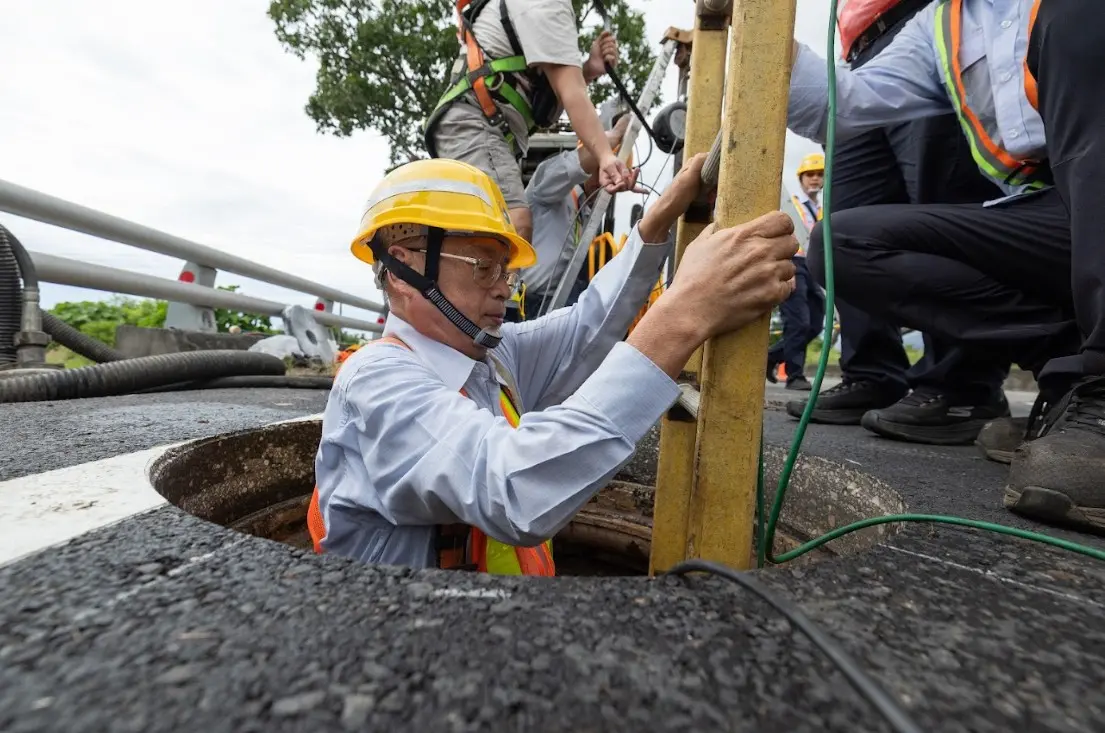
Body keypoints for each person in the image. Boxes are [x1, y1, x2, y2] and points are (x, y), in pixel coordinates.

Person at [308, 155, 799, 573]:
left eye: (506, 269)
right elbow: (512, 486)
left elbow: (587, 325)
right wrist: (687, 311)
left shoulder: (490, 359)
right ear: (404, 270)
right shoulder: (376, 384)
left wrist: (659, 218)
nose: (504, 287)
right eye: (483, 266)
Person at [787, 0, 1105, 532]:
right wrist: (755, 31)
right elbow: (838, 105)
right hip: (1049, 214)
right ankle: (1066, 368)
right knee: (840, 245)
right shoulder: (943, 23)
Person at [785, 0, 1011, 448]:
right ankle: (872, 371)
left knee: (940, 203)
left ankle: (964, 384)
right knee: (841, 229)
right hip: (859, 49)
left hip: (923, 19)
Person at [424, 0, 635, 243]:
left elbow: (544, 108)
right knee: (515, 226)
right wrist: (606, 157)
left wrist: (588, 70)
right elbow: (572, 92)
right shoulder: (546, 3)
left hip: (479, 125)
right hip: (475, 123)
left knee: (494, 237)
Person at [519, 115, 633, 319]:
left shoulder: (586, 210)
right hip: (528, 305)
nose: (606, 180)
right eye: (603, 170)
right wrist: (612, 139)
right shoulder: (549, 191)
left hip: (554, 304)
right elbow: (569, 167)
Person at [766, 153, 827, 391]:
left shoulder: (821, 208)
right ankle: (795, 375)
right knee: (798, 320)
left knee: (815, 322)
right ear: (801, 178)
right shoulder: (789, 204)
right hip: (792, 263)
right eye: (810, 175)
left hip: (812, 267)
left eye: (819, 175)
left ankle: (771, 356)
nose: (815, 179)